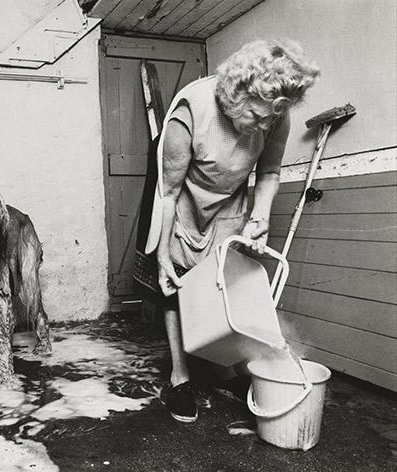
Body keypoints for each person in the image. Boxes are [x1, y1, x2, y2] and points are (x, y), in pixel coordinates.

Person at [133, 39, 320, 422]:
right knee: (178, 284)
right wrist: (164, 255)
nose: (264, 126)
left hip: (230, 200)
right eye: (256, 115)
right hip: (183, 198)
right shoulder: (192, 108)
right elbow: (167, 192)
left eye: (272, 118)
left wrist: (261, 216)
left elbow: (268, 172)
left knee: (222, 282)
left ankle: (222, 367)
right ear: (237, 96)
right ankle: (180, 376)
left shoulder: (274, 114)